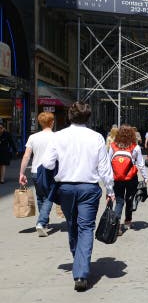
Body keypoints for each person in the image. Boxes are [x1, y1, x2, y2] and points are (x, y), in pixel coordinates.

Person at [40, 102, 115, 292]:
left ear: (69, 117)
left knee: (72, 225)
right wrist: (110, 189)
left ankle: (78, 261)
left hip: (65, 188)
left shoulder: (58, 136)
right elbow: (104, 167)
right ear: (88, 117)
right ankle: (81, 271)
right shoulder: (96, 137)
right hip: (89, 188)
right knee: (86, 227)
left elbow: (48, 163)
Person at [18, 112, 56, 236]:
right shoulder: (56, 137)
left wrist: (21, 173)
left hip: (35, 170)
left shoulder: (33, 137)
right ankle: (41, 222)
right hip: (51, 171)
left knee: (40, 196)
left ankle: (43, 222)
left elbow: (27, 156)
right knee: (50, 196)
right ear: (52, 122)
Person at [109, 125, 148, 232]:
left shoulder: (113, 146)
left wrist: (108, 179)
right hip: (131, 178)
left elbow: (108, 163)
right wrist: (145, 177)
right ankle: (128, 222)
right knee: (130, 199)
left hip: (117, 178)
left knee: (119, 201)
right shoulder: (135, 147)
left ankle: (116, 226)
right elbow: (141, 164)